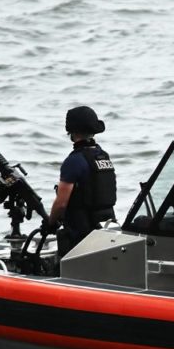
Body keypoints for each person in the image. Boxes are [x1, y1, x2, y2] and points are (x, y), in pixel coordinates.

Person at [41, 106, 117, 254]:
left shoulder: (74, 161)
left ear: (72, 132)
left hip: (81, 236)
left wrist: (50, 223)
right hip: (107, 229)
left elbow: (61, 204)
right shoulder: (103, 156)